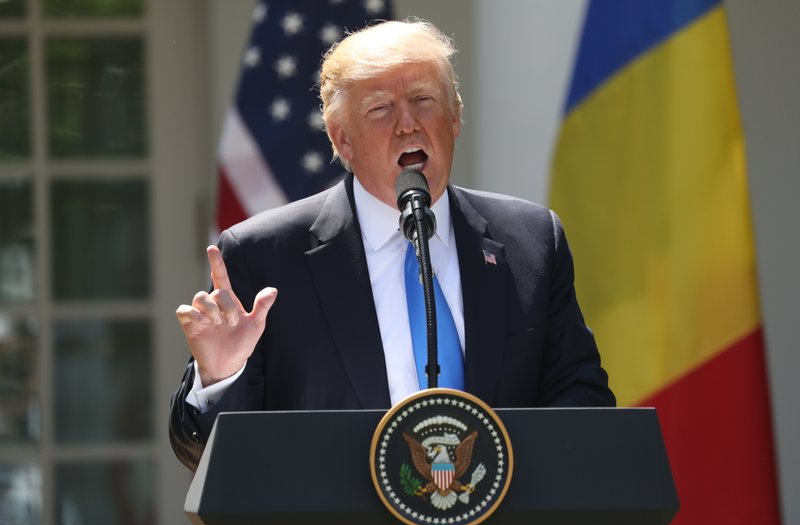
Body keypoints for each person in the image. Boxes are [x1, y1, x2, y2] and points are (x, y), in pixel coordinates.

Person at [170, 19, 614, 471]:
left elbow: (582, 401)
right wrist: (222, 378)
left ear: (455, 116)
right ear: (341, 138)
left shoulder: (532, 240)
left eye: (423, 100)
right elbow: (201, 454)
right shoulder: (266, 255)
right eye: (380, 109)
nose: (407, 124)